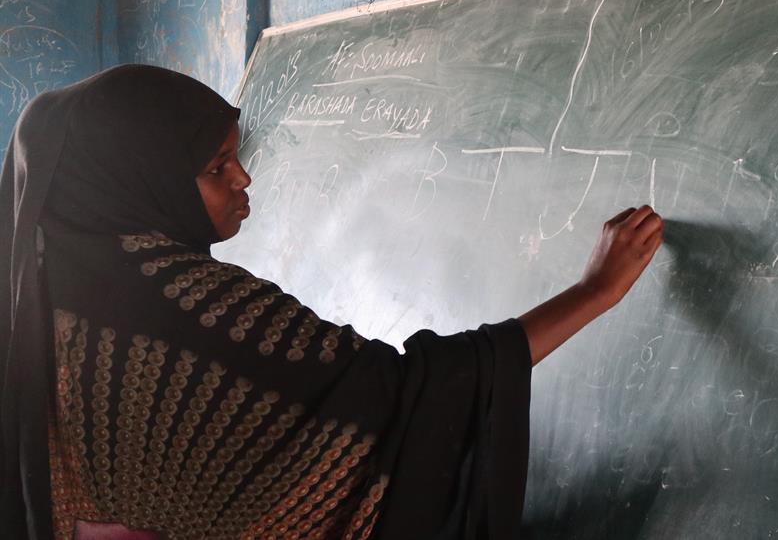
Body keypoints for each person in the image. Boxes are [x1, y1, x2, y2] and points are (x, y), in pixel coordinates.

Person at [0, 64, 663, 539]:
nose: (243, 177)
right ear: (139, 181)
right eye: (215, 168)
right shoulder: (190, 308)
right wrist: (595, 292)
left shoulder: (42, 301)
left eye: (236, 156)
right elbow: (405, 396)